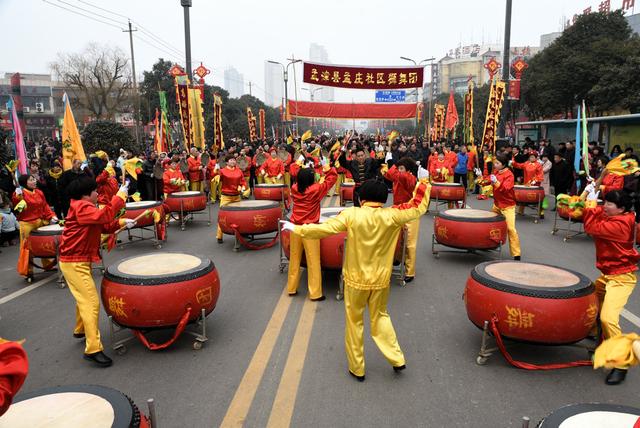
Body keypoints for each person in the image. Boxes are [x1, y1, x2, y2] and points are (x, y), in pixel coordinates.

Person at [283, 176, 430, 381]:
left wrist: (296, 228)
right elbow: (418, 206)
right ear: (383, 199)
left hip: (355, 280)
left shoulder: (352, 214)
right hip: (380, 280)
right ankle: (397, 359)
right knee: (380, 316)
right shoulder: (393, 215)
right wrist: (424, 183)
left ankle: (357, 368)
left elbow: (323, 229)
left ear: (362, 199)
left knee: (355, 322)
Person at [58, 176, 134, 367]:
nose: (97, 193)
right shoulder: (81, 207)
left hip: (77, 261)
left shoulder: (84, 207)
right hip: (74, 262)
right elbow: (104, 217)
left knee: (82, 297)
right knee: (91, 302)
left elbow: (105, 225)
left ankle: (80, 330)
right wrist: (119, 197)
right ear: (86, 194)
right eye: (94, 191)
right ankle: (93, 349)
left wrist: (123, 221)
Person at [583, 187, 640, 385]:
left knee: (608, 318)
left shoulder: (620, 225)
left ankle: (621, 364)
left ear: (621, 208)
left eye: (609, 204)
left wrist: (591, 203)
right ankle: (594, 333)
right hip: (607, 275)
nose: (604, 206)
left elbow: (591, 227)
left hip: (622, 278)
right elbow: (597, 215)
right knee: (590, 300)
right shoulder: (621, 216)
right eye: (604, 202)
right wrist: (593, 195)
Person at [287, 164, 338, 301]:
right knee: (313, 261)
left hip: (295, 227)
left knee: (294, 259)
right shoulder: (315, 189)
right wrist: (328, 169)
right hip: (310, 229)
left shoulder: (294, 188)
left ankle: (291, 288)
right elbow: (332, 179)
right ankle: (315, 293)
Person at [12, 174, 58, 282]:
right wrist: (17, 196)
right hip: (27, 224)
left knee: (43, 244)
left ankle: (47, 265)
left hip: (39, 221)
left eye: (34, 179)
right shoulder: (20, 193)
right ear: (25, 183)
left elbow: (45, 206)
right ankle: (28, 271)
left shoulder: (39, 192)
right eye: (31, 180)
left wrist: (52, 215)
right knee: (27, 248)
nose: (34, 181)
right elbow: (17, 205)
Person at [384, 158, 420, 282]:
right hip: (398, 210)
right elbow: (389, 174)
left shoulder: (410, 178)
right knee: (396, 237)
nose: (399, 170)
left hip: (410, 212)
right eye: (399, 168)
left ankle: (410, 272)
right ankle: (398, 259)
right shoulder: (399, 177)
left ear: (408, 170)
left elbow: (393, 173)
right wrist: (396, 165)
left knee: (410, 242)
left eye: (401, 168)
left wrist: (394, 164)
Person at [490, 154, 521, 260]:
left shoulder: (509, 175)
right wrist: (480, 177)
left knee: (511, 229)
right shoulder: (496, 172)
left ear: (503, 164)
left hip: (508, 206)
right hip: (497, 204)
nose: (495, 164)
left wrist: (496, 182)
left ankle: (516, 253)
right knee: (490, 225)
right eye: (495, 162)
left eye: (497, 163)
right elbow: (488, 182)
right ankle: (490, 245)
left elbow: (506, 189)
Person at [211, 154, 248, 244]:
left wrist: (243, 187)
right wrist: (216, 169)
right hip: (226, 196)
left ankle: (242, 233)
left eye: (234, 160)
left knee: (240, 216)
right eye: (231, 160)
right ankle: (219, 236)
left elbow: (243, 182)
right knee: (222, 216)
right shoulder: (223, 171)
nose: (233, 161)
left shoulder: (239, 171)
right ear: (227, 162)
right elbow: (215, 176)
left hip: (236, 196)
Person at [512, 151, 545, 218]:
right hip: (526, 183)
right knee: (523, 197)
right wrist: (513, 163)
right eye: (530, 157)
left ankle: (541, 212)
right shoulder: (526, 163)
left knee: (539, 199)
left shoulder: (538, 165)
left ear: (536, 158)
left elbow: (540, 175)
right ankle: (520, 211)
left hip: (535, 184)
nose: (531, 158)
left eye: (533, 157)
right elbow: (519, 165)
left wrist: (535, 180)